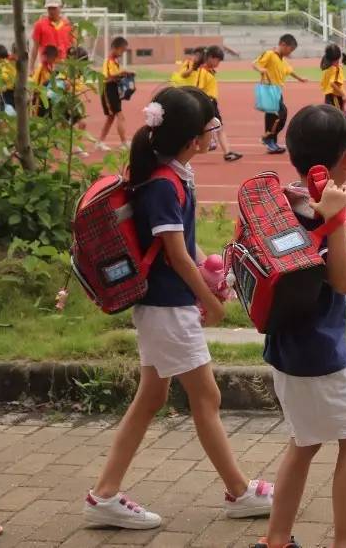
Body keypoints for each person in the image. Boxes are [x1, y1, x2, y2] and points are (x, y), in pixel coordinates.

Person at [84, 87, 273, 530]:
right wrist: (209, 300)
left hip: (162, 306)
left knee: (151, 397)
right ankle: (239, 491)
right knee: (206, 397)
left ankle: (105, 494)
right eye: (212, 128)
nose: (215, 134)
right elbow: (174, 254)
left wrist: (206, 275)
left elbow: (182, 248)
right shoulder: (166, 185)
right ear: (192, 139)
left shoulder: (169, 173)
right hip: (167, 308)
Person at [254, 104, 346, 548]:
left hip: (284, 346)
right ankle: (345, 542)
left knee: (303, 442)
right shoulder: (322, 213)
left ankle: (277, 540)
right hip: (319, 352)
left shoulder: (284, 202)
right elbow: (344, 282)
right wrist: (336, 219)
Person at [254, 35, 306, 155]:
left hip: (277, 91)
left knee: (274, 117)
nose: (290, 52)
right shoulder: (269, 54)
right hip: (269, 89)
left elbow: (290, 71)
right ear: (283, 44)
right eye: (290, 49)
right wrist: (260, 70)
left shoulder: (281, 59)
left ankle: (272, 142)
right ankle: (267, 138)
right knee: (280, 114)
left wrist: (300, 79)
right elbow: (255, 64)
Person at [194, 45, 242, 162]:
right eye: (218, 60)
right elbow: (198, 89)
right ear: (210, 58)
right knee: (213, 127)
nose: (218, 63)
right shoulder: (202, 71)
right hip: (207, 102)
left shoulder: (210, 71)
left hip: (212, 102)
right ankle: (218, 148)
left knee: (218, 127)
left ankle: (225, 151)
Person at [98, 37, 132, 152]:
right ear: (115, 48)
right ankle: (124, 142)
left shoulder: (115, 61)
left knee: (111, 118)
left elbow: (116, 75)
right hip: (108, 90)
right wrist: (122, 73)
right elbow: (107, 77)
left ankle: (100, 142)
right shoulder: (108, 61)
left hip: (114, 90)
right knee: (119, 116)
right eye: (122, 50)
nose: (122, 53)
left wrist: (126, 75)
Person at [29, 0, 74, 69]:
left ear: (60, 7)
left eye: (54, 8)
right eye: (49, 8)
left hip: (65, 65)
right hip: (47, 65)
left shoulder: (68, 25)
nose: (51, 11)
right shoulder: (39, 25)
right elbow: (35, 48)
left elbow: (73, 46)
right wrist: (31, 68)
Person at [320, 43, 346, 111]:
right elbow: (332, 83)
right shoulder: (336, 70)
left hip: (329, 97)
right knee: (338, 116)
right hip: (335, 97)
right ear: (339, 56)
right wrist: (344, 95)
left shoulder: (328, 69)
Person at [31, 44, 59, 119]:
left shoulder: (51, 68)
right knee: (39, 119)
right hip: (40, 100)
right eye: (53, 57)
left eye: (55, 57)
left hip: (48, 99)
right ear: (46, 56)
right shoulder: (40, 68)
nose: (54, 59)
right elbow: (34, 85)